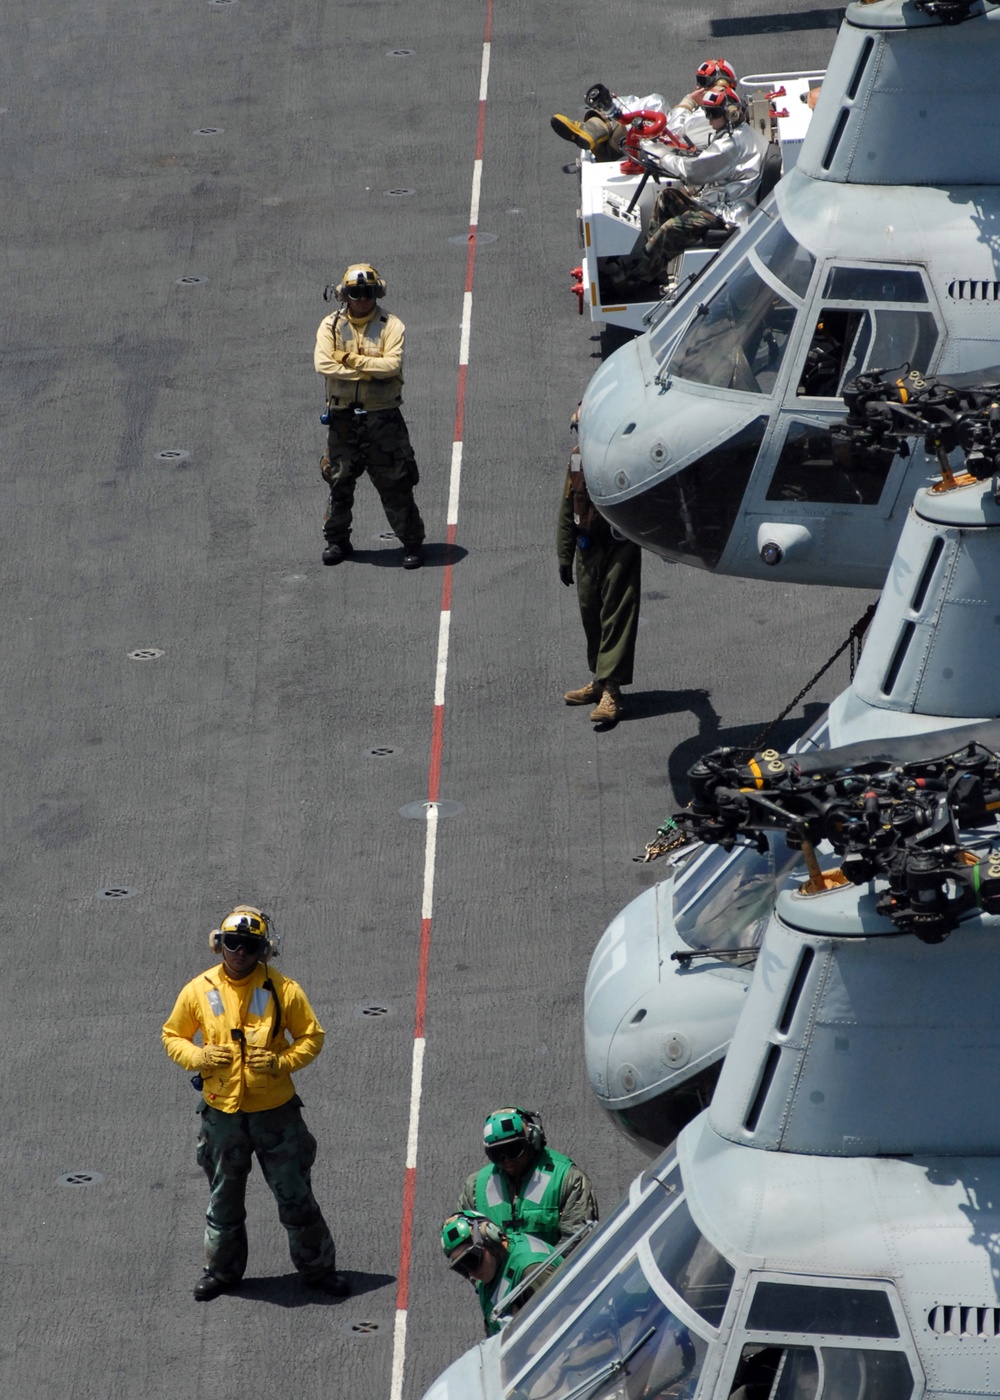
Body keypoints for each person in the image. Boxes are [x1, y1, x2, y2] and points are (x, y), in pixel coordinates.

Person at [162, 904, 350, 1301]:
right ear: (220, 945)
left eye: (249, 946)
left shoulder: (284, 990)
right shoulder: (198, 990)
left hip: (275, 1115)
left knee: (296, 1196)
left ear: (262, 950)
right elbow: (172, 1035)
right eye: (233, 944)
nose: (241, 953)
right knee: (223, 1201)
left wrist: (282, 1063)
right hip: (222, 1115)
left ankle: (318, 1271)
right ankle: (222, 1272)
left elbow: (312, 1037)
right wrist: (198, 1058)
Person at [313, 262, 425, 569]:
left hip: (383, 418)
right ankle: (337, 541)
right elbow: (324, 364)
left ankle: (412, 542)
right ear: (345, 295)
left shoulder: (392, 326)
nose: (363, 299)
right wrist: (368, 370)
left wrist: (346, 358)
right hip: (342, 418)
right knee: (339, 480)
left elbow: (391, 366)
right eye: (356, 293)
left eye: (368, 293)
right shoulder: (330, 326)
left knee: (396, 481)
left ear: (377, 293)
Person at [613, 85, 763, 292]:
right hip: (716, 202)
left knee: (671, 228)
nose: (709, 119)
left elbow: (691, 171)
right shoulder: (733, 133)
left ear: (730, 113)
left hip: (727, 214)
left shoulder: (732, 144)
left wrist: (661, 155)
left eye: (712, 114)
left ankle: (634, 280)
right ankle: (651, 268)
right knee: (667, 198)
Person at [558, 429, 642, 726]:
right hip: (588, 548)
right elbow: (569, 506)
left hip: (619, 546)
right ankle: (601, 679)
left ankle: (612, 690)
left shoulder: (627, 455)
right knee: (590, 612)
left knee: (616, 613)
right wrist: (564, 554)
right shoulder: (579, 458)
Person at [456, 1107, 598, 1248]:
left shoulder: (567, 1179)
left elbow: (578, 1241)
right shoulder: (475, 1188)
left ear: (533, 1140)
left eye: (513, 1149)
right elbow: (465, 1244)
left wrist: (537, 1268)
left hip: (553, 1270)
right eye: (496, 1153)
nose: (506, 1160)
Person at [550, 60, 739, 159]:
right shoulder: (712, 111)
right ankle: (596, 135)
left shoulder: (717, 115)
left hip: (671, 149)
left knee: (655, 102)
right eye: (699, 82)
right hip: (668, 142)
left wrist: (687, 102)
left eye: (704, 83)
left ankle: (596, 132)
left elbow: (675, 131)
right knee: (634, 103)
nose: (698, 88)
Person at [441, 1210, 563, 1335]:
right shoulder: (491, 1269)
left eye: (471, 1260)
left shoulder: (532, 1271)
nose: (471, 1273)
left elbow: (563, 1327)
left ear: (489, 1238)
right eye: (461, 1268)